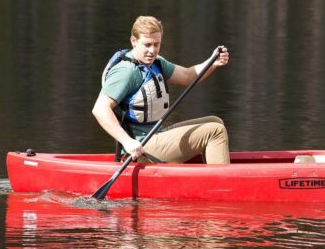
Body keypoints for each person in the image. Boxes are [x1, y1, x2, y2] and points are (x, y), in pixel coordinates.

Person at [92, 15, 231, 164]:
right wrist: (127, 142)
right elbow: (100, 109)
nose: (152, 50)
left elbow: (187, 76)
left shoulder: (156, 63)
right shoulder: (126, 71)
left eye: (156, 44)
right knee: (215, 131)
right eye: (147, 44)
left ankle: (207, 172)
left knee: (215, 122)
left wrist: (213, 62)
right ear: (134, 41)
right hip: (141, 148)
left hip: (157, 134)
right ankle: (222, 185)